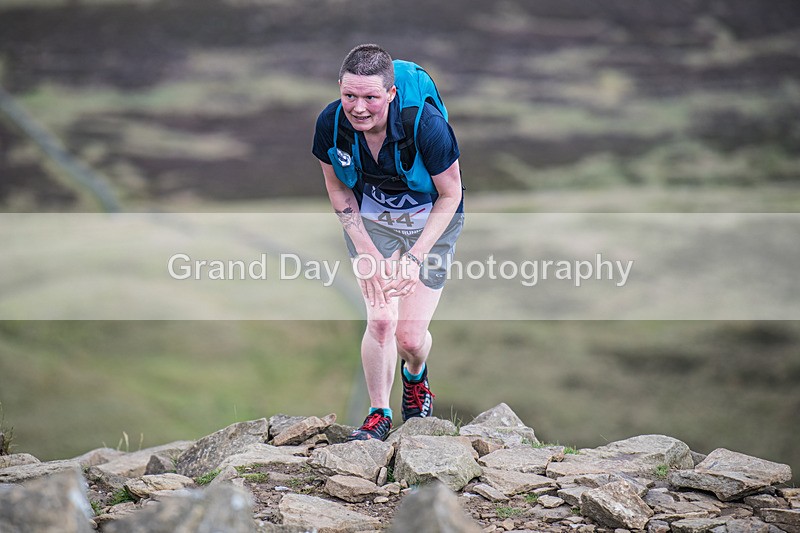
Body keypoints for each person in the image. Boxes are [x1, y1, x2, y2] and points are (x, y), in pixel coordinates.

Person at [312, 44, 464, 441]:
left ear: (391, 94)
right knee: (381, 320)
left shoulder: (426, 125)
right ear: (340, 89)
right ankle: (378, 414)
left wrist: (414, 257)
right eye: (349, 95)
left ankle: (415, 376)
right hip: (372, 220)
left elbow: (451, 195)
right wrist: (364, 245)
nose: (358, 108)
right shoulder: (331, 124)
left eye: (370, 97)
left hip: (430, 219)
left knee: (410, 338)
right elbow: (338, 189)